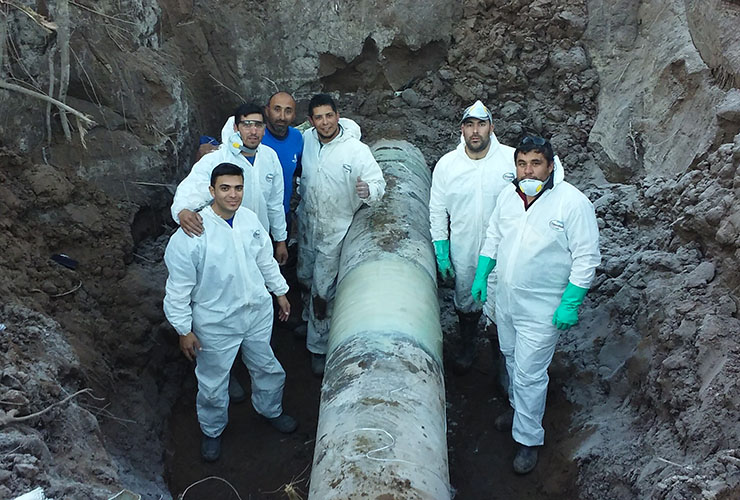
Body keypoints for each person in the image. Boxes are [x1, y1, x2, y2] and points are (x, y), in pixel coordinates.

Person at [470, 136, 600, 474]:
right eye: (522, 163)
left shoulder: (571, 203)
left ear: (551, 165)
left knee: (529, 374)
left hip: (543, 309)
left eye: (536, 163)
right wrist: (483, 274)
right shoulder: (508, 197)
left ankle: (528, 440)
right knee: (511, 359)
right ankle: (517, 411)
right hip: (508, 302)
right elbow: (494, 236)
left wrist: (570, 303)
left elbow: (586, 258)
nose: (528, 170)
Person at [163, 163, 298, 463]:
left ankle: (270, 409)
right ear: (211, 191)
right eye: (225, 188)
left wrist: (280, 292)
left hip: (256, 313)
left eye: (238, 188)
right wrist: (184, 330)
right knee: (212, 382)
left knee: (267, 367)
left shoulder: (249, 220)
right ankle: (212, 431)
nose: (233, 194)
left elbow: (265, 261)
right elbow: (178, 289)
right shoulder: (192, 235)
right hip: (215, 321)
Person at [297, 93, 386, 376]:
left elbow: (377, 180)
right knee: (304, 277)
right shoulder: (307, 140)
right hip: (307, 223)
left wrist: (368, 191)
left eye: (329, 116)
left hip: (335, 230)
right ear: (311, 121)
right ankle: (304, 318)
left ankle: (318, 347)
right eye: (318, 118)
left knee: (323, 291)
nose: (325, 123)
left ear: (338, 115)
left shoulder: (355, 150)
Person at [429, 100, 515, 375]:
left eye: (481, 124)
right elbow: (437, 210)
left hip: (504, 248)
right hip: (464, 247)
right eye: (469, 125)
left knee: (500, 306)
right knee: (465, 298)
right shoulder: (447, 165)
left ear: (491, 127)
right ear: (462, 130)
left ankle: (500, 360)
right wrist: (442, 250)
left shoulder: (511, 161)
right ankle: (467, 345)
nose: (475, 131)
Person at [171, 102, 289, 265]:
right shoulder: (217, 158)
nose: (253, 131)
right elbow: (191, 187)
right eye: (247, 125)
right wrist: (182, 211)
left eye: (258, 125)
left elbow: (274, 203)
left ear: (264, 128)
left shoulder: (270, 157)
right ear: (236, 127)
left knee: (259, 283)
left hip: (259, 239)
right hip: (224, 242)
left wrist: (280, 239)